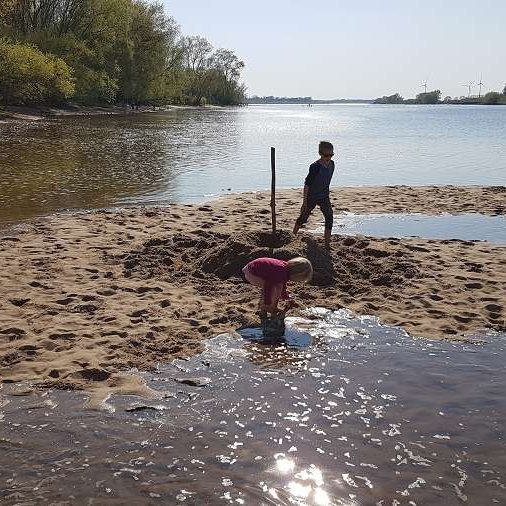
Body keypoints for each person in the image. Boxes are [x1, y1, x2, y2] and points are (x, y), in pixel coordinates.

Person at [293, 140, 336, 251]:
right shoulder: (315, 167)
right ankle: (292, 237)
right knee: (303, 217)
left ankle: (327, 244)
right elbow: (307, 184)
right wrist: (304, 202)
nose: (329, 157)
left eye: (331, 155)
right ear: (320, 154)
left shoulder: (332, 165)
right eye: (326, 155)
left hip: (324, 196)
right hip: (312, 196)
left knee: (329, 217)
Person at [242, 256, 313, 318]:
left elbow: (282, 284)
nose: (297, 281)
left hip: (254, 270)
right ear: (297, 275)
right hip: (251, 273)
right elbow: (268, 287)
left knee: (277, 287)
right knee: (275, 289)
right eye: (299, 280)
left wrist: (285, 297)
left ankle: (271, 308)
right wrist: (267, 301)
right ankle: (266, 308)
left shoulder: (285, 269)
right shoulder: (279, 272)